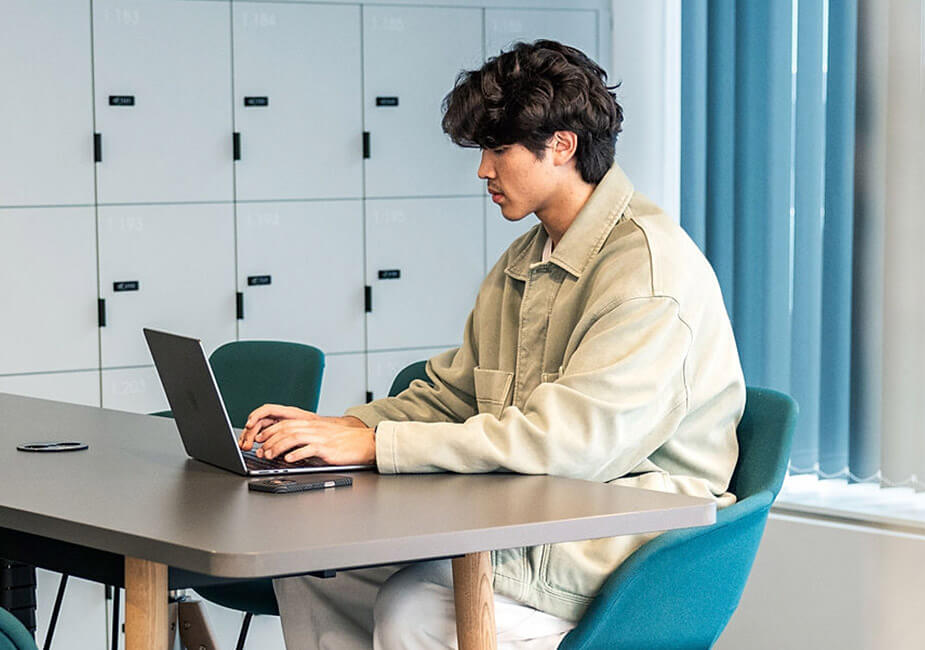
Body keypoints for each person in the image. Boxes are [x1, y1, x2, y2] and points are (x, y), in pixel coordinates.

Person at [239, 39, 745, 650]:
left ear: (563, 146)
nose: (483, 170)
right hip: (532, 514)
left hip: (620, 549)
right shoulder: (527, 259)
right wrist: (340, 429)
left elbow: (566, 445)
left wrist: (377, 445)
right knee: (315, 566)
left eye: (499, 149)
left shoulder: (649, 274)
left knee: (412, 612)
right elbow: (455, 395)